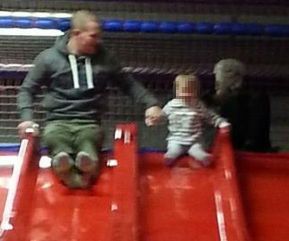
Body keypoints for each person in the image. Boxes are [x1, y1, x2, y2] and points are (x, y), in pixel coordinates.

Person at [17, 10, 162, 189]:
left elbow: (128, 83)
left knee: (88, 141)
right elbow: (27, 90)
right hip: (58, 121)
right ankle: (67, 165)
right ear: (76, 34)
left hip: (89, 122)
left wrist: (151, 104)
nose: (98, 41)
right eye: (93, 36)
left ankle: (83, 164)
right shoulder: (49, 59)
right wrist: (27, 118)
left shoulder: (105, 58)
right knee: (55, 139)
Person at [202, 58, 273, 152]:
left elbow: (256, 132)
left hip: (240, 149)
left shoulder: (254, 99)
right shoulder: (206, 100)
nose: (217, 83)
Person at [161, 74, 230, 167]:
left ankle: (205, 158)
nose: (186, 94)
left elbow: (210, 116)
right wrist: (155, 119)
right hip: (176, 139)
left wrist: (221, 122)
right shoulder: (171, 105)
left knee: (198, 152)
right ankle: (169, 158)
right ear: (176, 91)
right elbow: (162, 116)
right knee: (173, 151)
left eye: (190, 92)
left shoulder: (198, 105)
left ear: (196, 92)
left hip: (195, 141)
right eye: (183, 91)